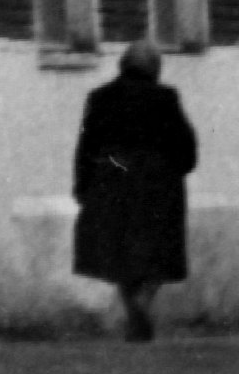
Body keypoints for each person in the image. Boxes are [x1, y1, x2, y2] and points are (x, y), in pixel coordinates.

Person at [73, 40, 198, 342]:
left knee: (118, 251)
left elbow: (86, 147)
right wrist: (178, 169)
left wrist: (83, 186)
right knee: (159, 250)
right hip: (158, 183)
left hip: (112, 179)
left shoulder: (100, 97)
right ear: (154, 68)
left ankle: (133, 311)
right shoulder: (165, 98)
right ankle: (143, 302)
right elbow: (185, 145)